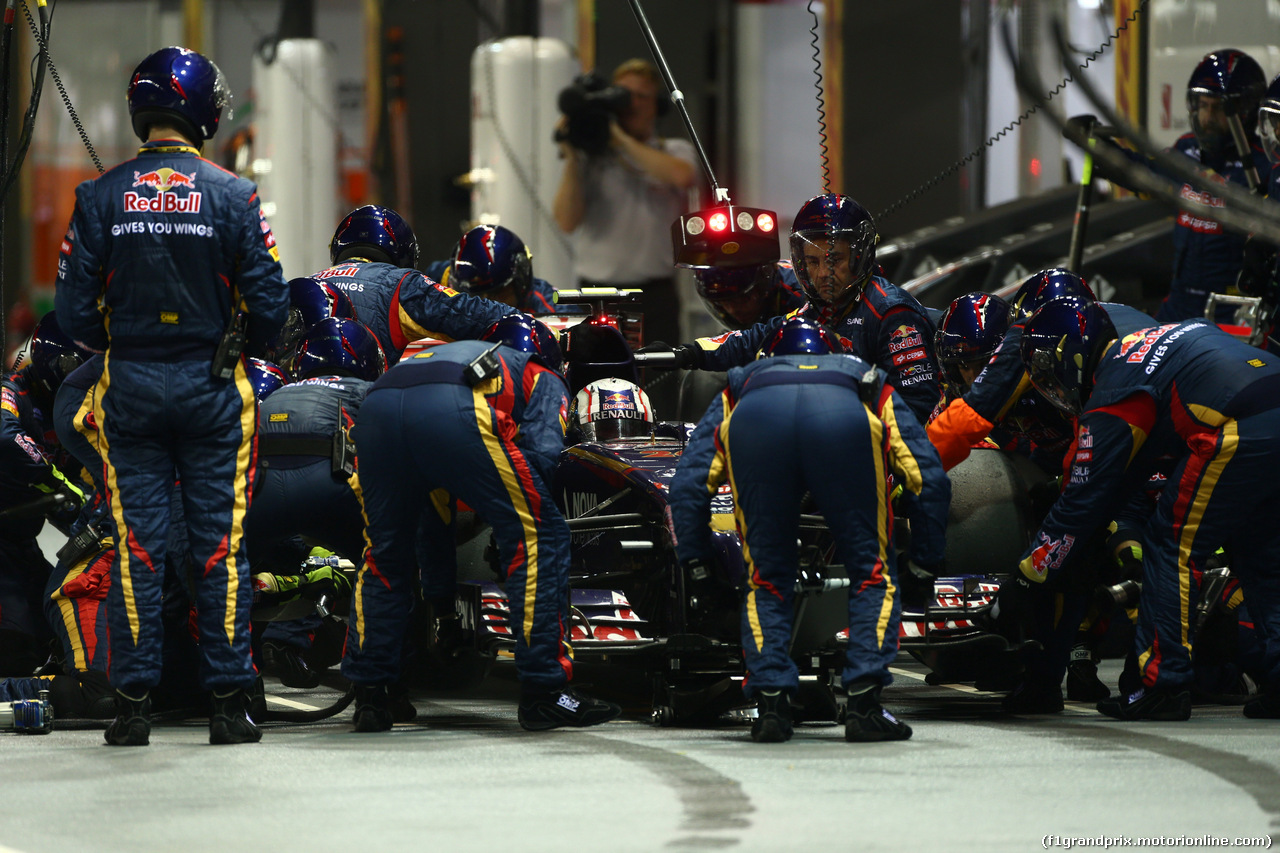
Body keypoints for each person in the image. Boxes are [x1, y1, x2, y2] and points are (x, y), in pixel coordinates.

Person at [55, 46, 289, 746]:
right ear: (203, 108)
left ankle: (131, 706)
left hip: (128, 384)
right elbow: (272, 306)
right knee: (220, 548)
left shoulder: (99, 195)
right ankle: (228, 704)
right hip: (215, 387)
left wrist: (126, 338)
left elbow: (71, 314)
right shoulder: (234, 194)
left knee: (137, 547)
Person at [670, 317, 949, 743]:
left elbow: (689, 484)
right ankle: (863, 705)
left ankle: (771, 707)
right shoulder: (865, 378)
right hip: (843, 417)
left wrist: (696, 564)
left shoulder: (741, 385)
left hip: (758, 419)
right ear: (834, 354)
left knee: (765, 578)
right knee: (872, 571)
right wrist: (925, 562)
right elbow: (926, 478)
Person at [342, 315, 621, 731]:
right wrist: (512, 526)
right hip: (453, 409)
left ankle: (372, 695)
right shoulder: (541, 375)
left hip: (377, 408)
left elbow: (433, 529)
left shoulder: (457, 352)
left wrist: (443, 609)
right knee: (540, 534)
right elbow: (543, 456)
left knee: (385, 556)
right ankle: (545, 691)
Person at [1007, 296, 1280, 720]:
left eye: (1047, 368)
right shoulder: (1151, 343)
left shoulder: (1115, 386)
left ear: (1072, 354)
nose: (1050, 383)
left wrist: (1028, 575)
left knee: (1171, 543)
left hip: (1238, 426)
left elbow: (1082, 504)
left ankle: (1164, 685)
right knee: (1261, 553)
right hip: (1267, 398)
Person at [652, 194, 943, 426]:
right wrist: (685, 354)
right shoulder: (821, 310)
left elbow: (918, 409)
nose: (823, 274)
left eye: (835, 260)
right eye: (813, 263)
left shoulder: (892, 314)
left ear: (861, 253)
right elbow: (754, 339)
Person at [1078, 49, 1272, 322]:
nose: (1207, 118)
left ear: (1246, 110)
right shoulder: (1186, 150)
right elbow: (1142, 173)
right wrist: (1097, 147)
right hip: (1179, 307)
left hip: (1233, 313)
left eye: (1217, 108)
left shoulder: (1263, 168)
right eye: (1202, 106)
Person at [247, 318, 383, 689]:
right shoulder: (370, 390)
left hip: (262, 495)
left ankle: (237, 688)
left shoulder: (276, 394)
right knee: (382, 568)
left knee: (227, 575)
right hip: (330, 488)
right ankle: (375, 690)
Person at [552, 58, 697, 344]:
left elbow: (682, 176)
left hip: (653, 296)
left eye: (640, 96)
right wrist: (572, 156)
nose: (630, 104)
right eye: (622, 95)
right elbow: (566, 221)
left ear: (657, 105)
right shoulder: (593, 158)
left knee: (658, 381)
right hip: (596, 293)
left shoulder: (673, 149)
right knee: (589, 382)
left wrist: (618, 139)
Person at [0, 312, 91, 676]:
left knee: (52, 625)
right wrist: (56, 483)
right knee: (16, 649)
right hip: (3, 541)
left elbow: (72, 495)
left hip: (22, 542)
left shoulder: (65, 413)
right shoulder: (10, 391)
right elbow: (6, 440)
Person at [313, 205, 516, 365]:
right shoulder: (399, 283)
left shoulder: (311, 283)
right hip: (363, 409)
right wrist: (524, 323)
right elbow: (470, 314)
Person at [424, 224, 581, 316]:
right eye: (474, 296)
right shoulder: (439, 281)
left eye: (496, 294)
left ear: (521, 282)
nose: (485, 307)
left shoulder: (552, 311)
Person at [693, 260, 808, 331]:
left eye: (741, 300)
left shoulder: (802, 294)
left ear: (763, 287)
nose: (732, 310)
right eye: (723, 303)